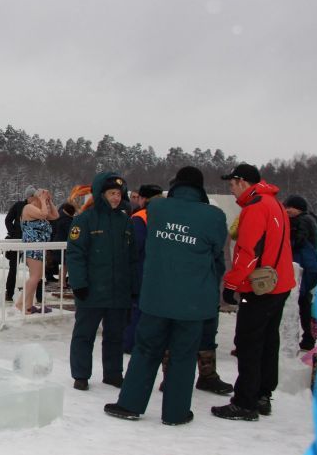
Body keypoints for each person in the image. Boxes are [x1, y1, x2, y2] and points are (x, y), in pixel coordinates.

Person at [103, 167, 226, 425]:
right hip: (193, 302)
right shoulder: (214, 216)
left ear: (176, 184)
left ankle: (130, 404)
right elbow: (216, 252)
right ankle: (176, 412)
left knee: (145, 350)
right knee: (183, 356)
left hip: (156, 297)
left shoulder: (158, 209)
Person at [212, 163, 295, 421]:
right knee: (269, 341)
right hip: (279, 284)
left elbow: (248, 253)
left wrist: (232, 285)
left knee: (248, 343)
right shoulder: (276, 205)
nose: (232, 191)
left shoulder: (256, 208)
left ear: (242, 182)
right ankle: (262, 394)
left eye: (232, 185)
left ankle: (245, 402)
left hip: (259, 286)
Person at [68, 172, 137, 390]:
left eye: (119, 194)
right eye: (112, 193)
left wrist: (133, 287)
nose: (116, 198)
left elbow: (132, 258)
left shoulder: (126, 221)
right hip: (92, 291)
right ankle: (81, 374)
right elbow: (75, 254)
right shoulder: (84, 220)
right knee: (84, 335)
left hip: (118, 292)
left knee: (115, 336)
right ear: (100, 194)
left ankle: (113, 373)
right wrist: (79, 284)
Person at [123, 184, 163, 353]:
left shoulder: (140, 217)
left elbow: (133, 247)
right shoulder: (167, 215)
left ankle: (130, 344)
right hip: (160, 270)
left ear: (142, 199)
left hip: (141, 270)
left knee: (135, 310)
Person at [15, 189, 59, 314]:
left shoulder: (40, 209)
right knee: (35, 277)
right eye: (43, 197)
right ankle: (20, 303)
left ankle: (28, 307)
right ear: (36, 197)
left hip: (39, 247)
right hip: (32, 247)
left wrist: (49, 201)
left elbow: (55, 216)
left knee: (37, 277)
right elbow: (44, 214)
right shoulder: (28, 208)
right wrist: (42, 199)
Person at [284, 195, 317, 350]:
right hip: (309, 266)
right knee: (304, 301)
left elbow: (297, 241)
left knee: (302, 302)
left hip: (303, 266)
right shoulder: (310, 219)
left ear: (298, 208)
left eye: (289, 207)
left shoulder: (302, 221)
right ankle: (309, 336)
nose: (287, 210)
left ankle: (309, 337)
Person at [4, 185, 36, 302]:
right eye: (32, 196)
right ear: (27, 196)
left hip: (32, 242)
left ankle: (37, 296)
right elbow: (8, 220)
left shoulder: (37, 207)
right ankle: (9, 293)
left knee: (35, 269)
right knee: (13, 268)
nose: (34, 198)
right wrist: (13, 233)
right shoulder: (18, 206)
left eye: (35, 196)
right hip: (17, 241)